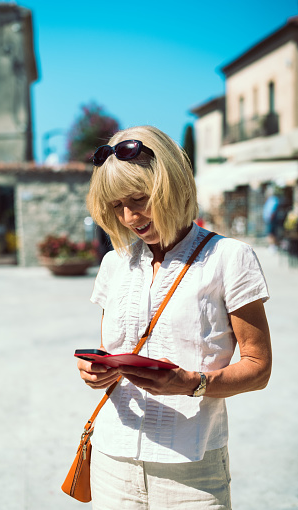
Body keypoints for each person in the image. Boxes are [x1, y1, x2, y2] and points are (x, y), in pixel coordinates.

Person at [77, 126, 272, 509]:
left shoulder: (230, 258)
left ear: (171, 185)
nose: (130, 216)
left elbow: (259, 367)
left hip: (191, 467)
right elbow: (110, 350)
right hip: (111, 459)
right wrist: (96, 372)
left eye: (139, 198)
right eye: (117, 205)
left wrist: (190, 383)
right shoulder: (114, 263)